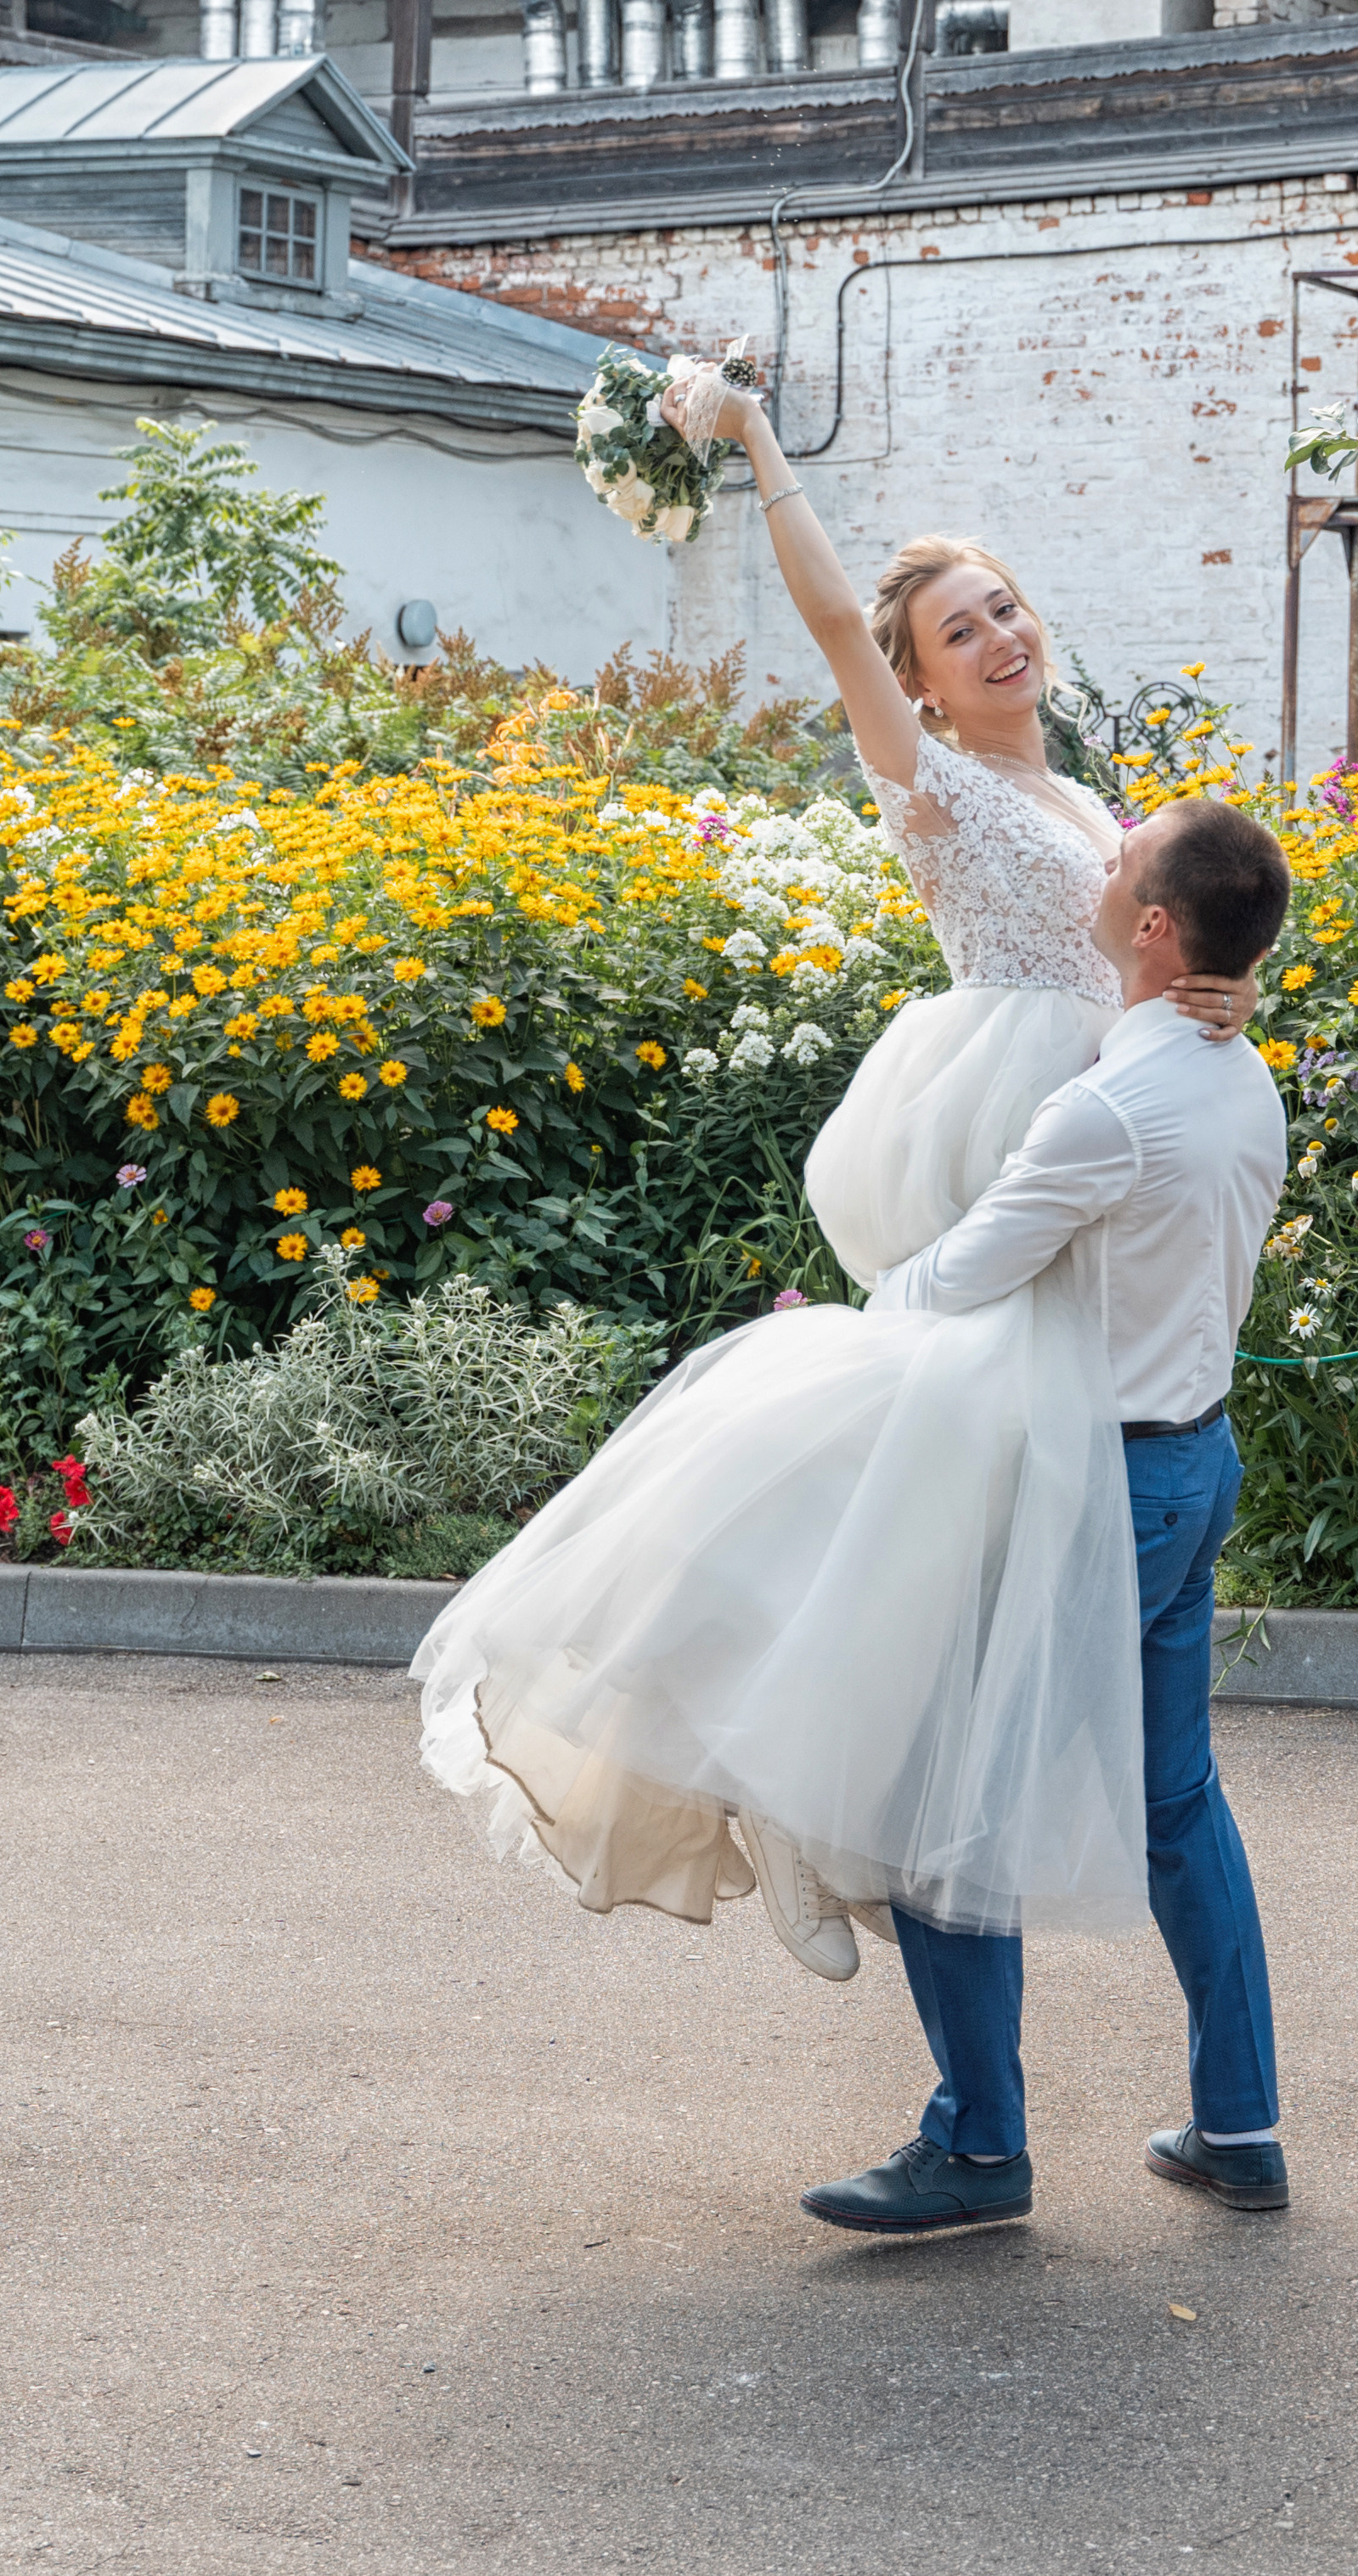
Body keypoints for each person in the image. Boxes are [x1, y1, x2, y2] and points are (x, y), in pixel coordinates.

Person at [411, 365, 1254, 1989]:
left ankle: (926, 1894)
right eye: (961, 631)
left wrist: (1214, 989)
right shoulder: (930, 785)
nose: (999, 636)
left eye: (1005, 607)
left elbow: (1146, 936)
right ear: (922, 687)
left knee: (997, 1529)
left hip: (1097, 1130)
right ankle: (838, 1815)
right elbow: (828, 628)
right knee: (924, 1524)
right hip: (1007, 1130)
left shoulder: (1083, 788)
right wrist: (750, 443)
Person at [799, 792, 1293, 2236]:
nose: (1105, 851)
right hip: (1198, 1461)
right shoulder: (1235, 1067)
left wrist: (836, 1340)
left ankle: (978, 2149)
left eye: (1126, 857)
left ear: (1153, 926)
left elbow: (960, 1274)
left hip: (1105, 1483)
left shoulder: (1108, 1108)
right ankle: (1238, 2123)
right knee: (1176, 1801)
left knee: (947, 1799)